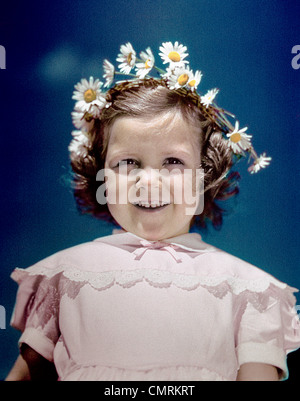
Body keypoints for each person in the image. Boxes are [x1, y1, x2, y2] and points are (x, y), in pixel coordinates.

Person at [6, 42, 300, 381]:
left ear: (203, 176)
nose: (149, 180)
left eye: (173, 162)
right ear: (100, 172)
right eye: (128, 162)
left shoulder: (247, 288)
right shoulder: (64, 276)